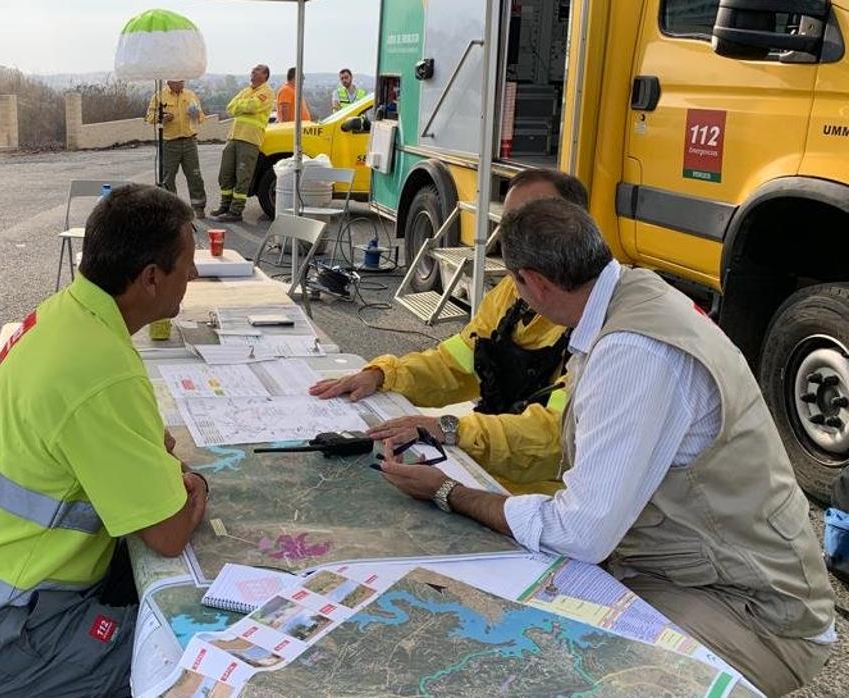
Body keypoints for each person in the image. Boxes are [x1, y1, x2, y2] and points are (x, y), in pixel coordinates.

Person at [375, 198, 837, 696]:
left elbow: (581, 533)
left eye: (513, 284)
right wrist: (447, 430)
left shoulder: (632, 349)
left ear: (534, 281)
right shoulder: (631, 297)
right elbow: (573, 452)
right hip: (685, 572)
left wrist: (450, 492)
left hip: (752, 610)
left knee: (540, 667)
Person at [0, 184, 208, 697]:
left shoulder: (64, 314)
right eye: (188, 264)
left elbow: (120, 438)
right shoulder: (102, 369)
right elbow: (167, 534)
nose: (195, 276)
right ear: (150, 279)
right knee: (189, 662)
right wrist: (196, 486)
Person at [311, 169, 586, 495]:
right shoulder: (511, 294)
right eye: (510, 223)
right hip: (485, 471)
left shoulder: (592, 317)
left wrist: (452, 429)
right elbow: (457, 362)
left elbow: (555, 439)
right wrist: (383, 375)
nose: (517, 239)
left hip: (550, 497)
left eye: (535, 222)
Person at [211, 64, 273, 223]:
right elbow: (230, 107)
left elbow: (253, 106)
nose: (252, 73)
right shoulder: (247, 91)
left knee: (242, 176)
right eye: (252, 71)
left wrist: (242, 106)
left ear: (265, 75)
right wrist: (243, 105)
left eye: (256, 71)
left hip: (250, 139)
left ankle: (236, 211)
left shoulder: (266, 92)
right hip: (234, 136)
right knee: (225, 174)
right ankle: (225, 206)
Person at [145, 80, 207, 218]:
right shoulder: (159, 96)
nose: (182, 83)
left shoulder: (190, 95)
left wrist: (197, 114)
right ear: (169, 82)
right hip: (169, 143)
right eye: (178, 81)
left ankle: (198, 207)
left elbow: (202, 118)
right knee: (168, 178)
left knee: (194, 175)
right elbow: (149, 118)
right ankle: (172, 210)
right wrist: (162, 118)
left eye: (182, 81)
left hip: (189, 141)